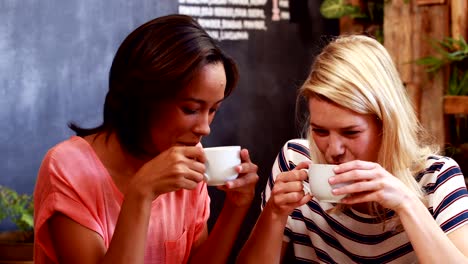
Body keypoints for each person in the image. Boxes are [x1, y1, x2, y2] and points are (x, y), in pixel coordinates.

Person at [33, 14, 259, 264]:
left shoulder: (187, 158)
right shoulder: (67, 167)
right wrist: (141, 193)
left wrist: (235, 208)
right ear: (142, 99)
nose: (205, 128)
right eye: (191, 109)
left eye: (213, 109)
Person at [237, 35, 468, 263]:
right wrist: (275, 214)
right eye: (320, 131)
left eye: (350, 133)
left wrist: (406, 203)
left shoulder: (436, 178)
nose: (333, 150)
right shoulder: (295, 161)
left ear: (386, 125)